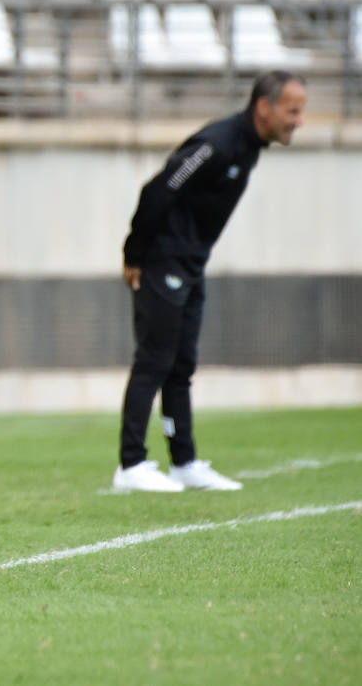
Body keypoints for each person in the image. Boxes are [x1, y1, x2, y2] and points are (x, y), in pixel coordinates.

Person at [114, 71, 307, 493]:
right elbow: (161, 188)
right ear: (264, 108)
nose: (299, 120)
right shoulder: (217, 145)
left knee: (181, 366)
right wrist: (134, 253)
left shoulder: (250, 147)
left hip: (191, 263)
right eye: (292, 111)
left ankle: (183, 461)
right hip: (162, 260)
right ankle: (131, 464)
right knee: (155, 359)